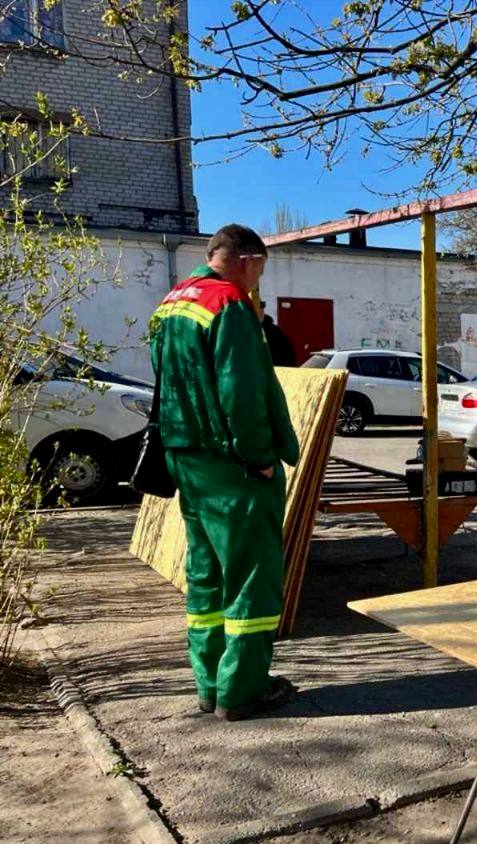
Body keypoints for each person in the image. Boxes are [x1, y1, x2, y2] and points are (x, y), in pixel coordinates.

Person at [149, 224, 300, 721]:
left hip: (185, 457)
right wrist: (257, 455)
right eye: (260, 269)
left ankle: (211, 682)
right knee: (252, 573)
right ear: (246, 260)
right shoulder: (228, 304)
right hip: (230, 463)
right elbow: (241, 390)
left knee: (207, 573)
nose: (257, 280)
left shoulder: (172, 304)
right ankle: (243, 690)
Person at [259, 300, 299, 367]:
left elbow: (288, 359)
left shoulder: (274, 332)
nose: (260, 310)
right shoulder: (242, 331)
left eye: (262, 305)